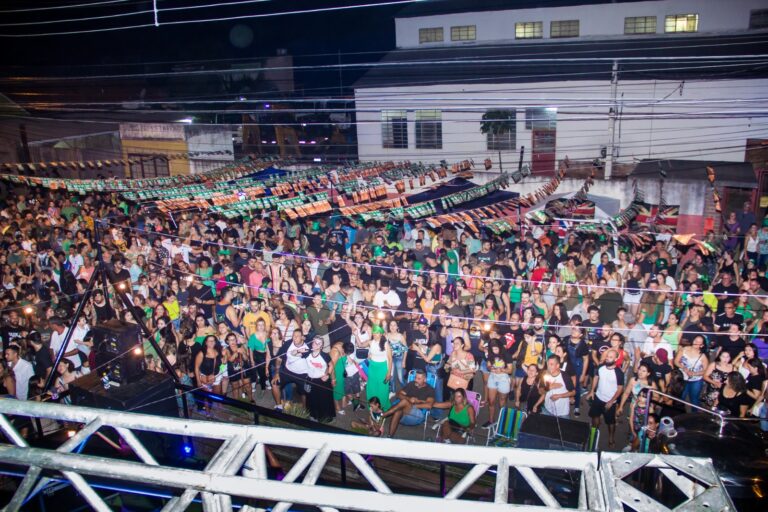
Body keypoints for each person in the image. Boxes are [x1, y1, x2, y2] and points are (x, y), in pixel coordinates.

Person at [588, 349, 625, 448]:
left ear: (616, 359)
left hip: (610, 402)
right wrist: (592, 390)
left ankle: (611, 437)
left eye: (611, 357)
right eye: (607, 356)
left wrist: (611, 401)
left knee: (610, 422)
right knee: (595, 416)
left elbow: (620, 389)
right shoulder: (601, 367)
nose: (608, 359)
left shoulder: (618, 372)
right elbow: (596, 377)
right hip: (598, 397)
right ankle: (594, 431)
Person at [381, 369, 435, 437]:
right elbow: (399, 394)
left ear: (425, 379)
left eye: (419, 378)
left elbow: (429, 405)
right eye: (415, 377)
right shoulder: (411, 384)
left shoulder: (430, 389)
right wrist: (409, 399)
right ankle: (390, 436)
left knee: (404, 402)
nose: (416, 380)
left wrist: (415, 404)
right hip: (404, 410)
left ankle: (383, 415)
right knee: (398, 411)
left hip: (416, 415)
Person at [305, 336, 335, 422]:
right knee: (311, 399)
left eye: (318, 343)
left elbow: (331, 365)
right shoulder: (307, 353)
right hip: (310, 380)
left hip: (322, 380)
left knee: (323, 400)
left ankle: (324, 417)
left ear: (321, 346)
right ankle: (313, 416)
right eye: (314, 342)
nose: (315, 345)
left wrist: (328, 374)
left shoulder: (325, 356)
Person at [673, 335, 708, 407]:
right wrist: (684, 368)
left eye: (699, 342)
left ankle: (695, 416)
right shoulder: (684, 349)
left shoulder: (703, 356)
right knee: (680, 398)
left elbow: (706, 371)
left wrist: (694, 373)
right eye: (695, 340)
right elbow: (676, 361)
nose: (696, 343)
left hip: (696, 380)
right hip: (682, 378)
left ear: (702, 345)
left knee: (694, 400)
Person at [484, 339, 513, 427]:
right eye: (492, 349)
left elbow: (510, 370)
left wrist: (502, 370)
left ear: (500, 347)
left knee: (502, 402)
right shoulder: (491, 354)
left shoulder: (507, 355)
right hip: (493, 377)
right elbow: (488, 365)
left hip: (503, 378)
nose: (494, 351)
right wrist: (490, 368)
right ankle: (491, 420)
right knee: (491, 401)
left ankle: (502, 422)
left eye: (496, 349)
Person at [366, 324, 392, 411]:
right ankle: (372, 405)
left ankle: (382, 406)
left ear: (381, 334)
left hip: (382, 367)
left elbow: (390, 359)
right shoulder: (371, 342)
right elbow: (361, 345)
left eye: (376, 333)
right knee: (371, 386)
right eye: (374, 333)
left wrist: (389, 372)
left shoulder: (385, 344)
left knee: (382, 387)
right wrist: (356, 335)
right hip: (372, 367)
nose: (374, 334)